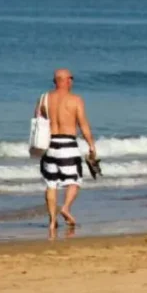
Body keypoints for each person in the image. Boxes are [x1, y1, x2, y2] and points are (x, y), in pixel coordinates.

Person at [35, 68, 97, 233]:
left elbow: (37, 124)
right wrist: (91, 145)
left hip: (50, 145)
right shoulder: (75, 100)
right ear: (66, 80)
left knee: (51, 184)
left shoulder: (43, 99)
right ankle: (66, 208)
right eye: (71, 79)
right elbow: (83, 125)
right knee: (75, 181)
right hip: (68, 144)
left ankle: (52, 221)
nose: (72, 82)